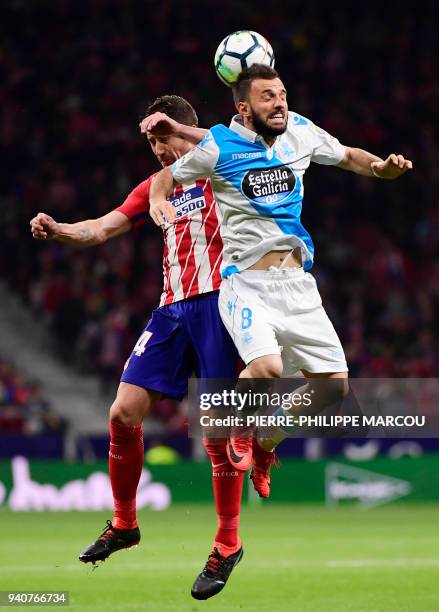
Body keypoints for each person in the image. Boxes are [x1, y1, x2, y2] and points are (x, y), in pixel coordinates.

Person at [30, 95, 266, 600]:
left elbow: (260, 144)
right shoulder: (155, 187)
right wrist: (59, 230)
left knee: (218, 433)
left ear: (186, 131)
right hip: (172, 310)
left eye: (164, 138)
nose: (158, 149)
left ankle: (227, 543)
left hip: (223, 305)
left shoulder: (224, 166)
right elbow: (101, 228)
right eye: (152, 141)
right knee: (122, 412)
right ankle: (124, 522)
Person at [149, 64, 413, 470]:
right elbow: (165, 177)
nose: (279, 104)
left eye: (283, 94)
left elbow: (347, 155)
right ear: (244, 106)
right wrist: (158, 201)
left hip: (297, 284)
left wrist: (380, 168)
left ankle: (267, 441)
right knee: (267, 366)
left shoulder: (301, 133)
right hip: (246, 283)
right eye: (267, 97)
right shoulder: (220, 145)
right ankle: (241, 427)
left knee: (332, 389)